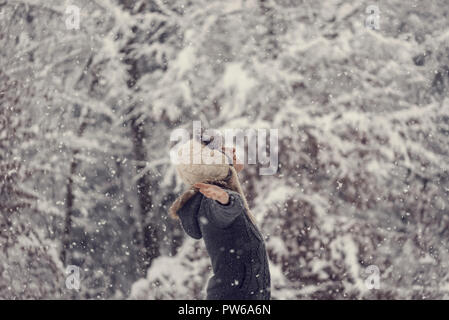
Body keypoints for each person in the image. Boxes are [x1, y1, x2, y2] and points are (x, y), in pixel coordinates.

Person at [169, 138, 271, 300]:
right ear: (214, 162)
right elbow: (223, 212)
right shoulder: (210, 200)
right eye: (222, 150)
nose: (232, 150)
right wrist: (225, 200)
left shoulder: (210, 196)